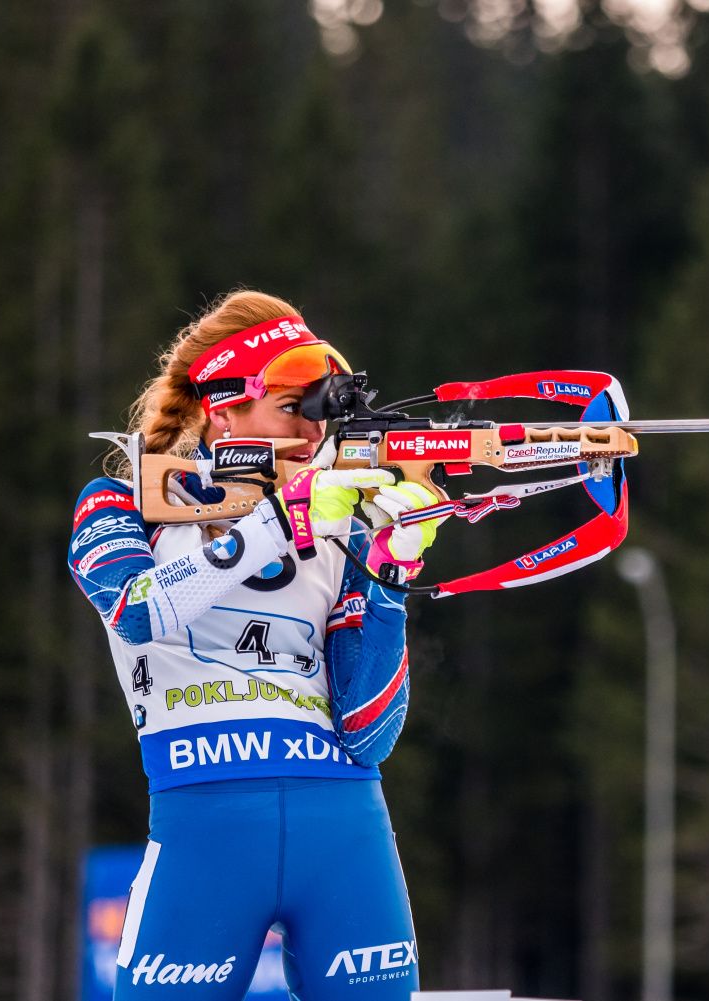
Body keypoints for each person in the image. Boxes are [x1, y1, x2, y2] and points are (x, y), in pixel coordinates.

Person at [69, 289, 442, 999]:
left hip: (347, 833)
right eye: (293, 403)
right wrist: (279, 521)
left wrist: (391, 573)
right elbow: (139, 610)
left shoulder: (343, 523)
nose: (312, 427)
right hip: (202, 827)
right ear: (224, 407)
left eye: (323, 407)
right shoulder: (120, 506)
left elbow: (368, 733)